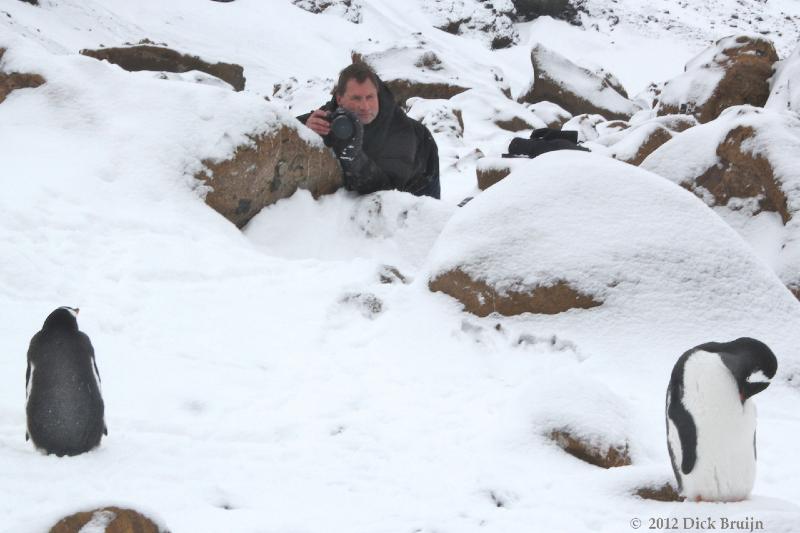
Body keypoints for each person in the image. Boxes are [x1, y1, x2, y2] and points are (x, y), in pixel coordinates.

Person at [298, 63, 440, 199]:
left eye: (370, 97)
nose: (365, 106)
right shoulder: (332, 116)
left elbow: (387, 189)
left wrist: (354, 157)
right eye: (356, 98)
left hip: (419, 182)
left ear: (377, 94)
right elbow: (284, 125)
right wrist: (305, 129)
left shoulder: (401, 132)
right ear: (340, 99)